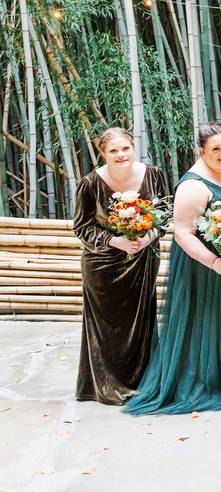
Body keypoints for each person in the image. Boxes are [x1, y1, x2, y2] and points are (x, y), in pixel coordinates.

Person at [125, 121, 221, 415]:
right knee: (220, 322)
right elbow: (183, 232)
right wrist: (214, 262)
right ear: (202, 151)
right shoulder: (193, 185)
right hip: (212, 264)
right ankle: (218, 379)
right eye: (216, 149)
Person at [73, 128, 166, 405]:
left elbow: (164, 212)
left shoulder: (153, 174)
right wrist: (116, 241)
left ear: (133, 147)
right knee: (107, 326)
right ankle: (107, 385)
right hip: (103, 264)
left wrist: (149, 235)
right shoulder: (90, 183)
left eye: (125, 148)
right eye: (113, 150)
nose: (121, 154)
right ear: (103, 154)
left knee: (142, 322)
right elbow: (82, 227)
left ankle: (145, 381)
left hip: (142, 259)